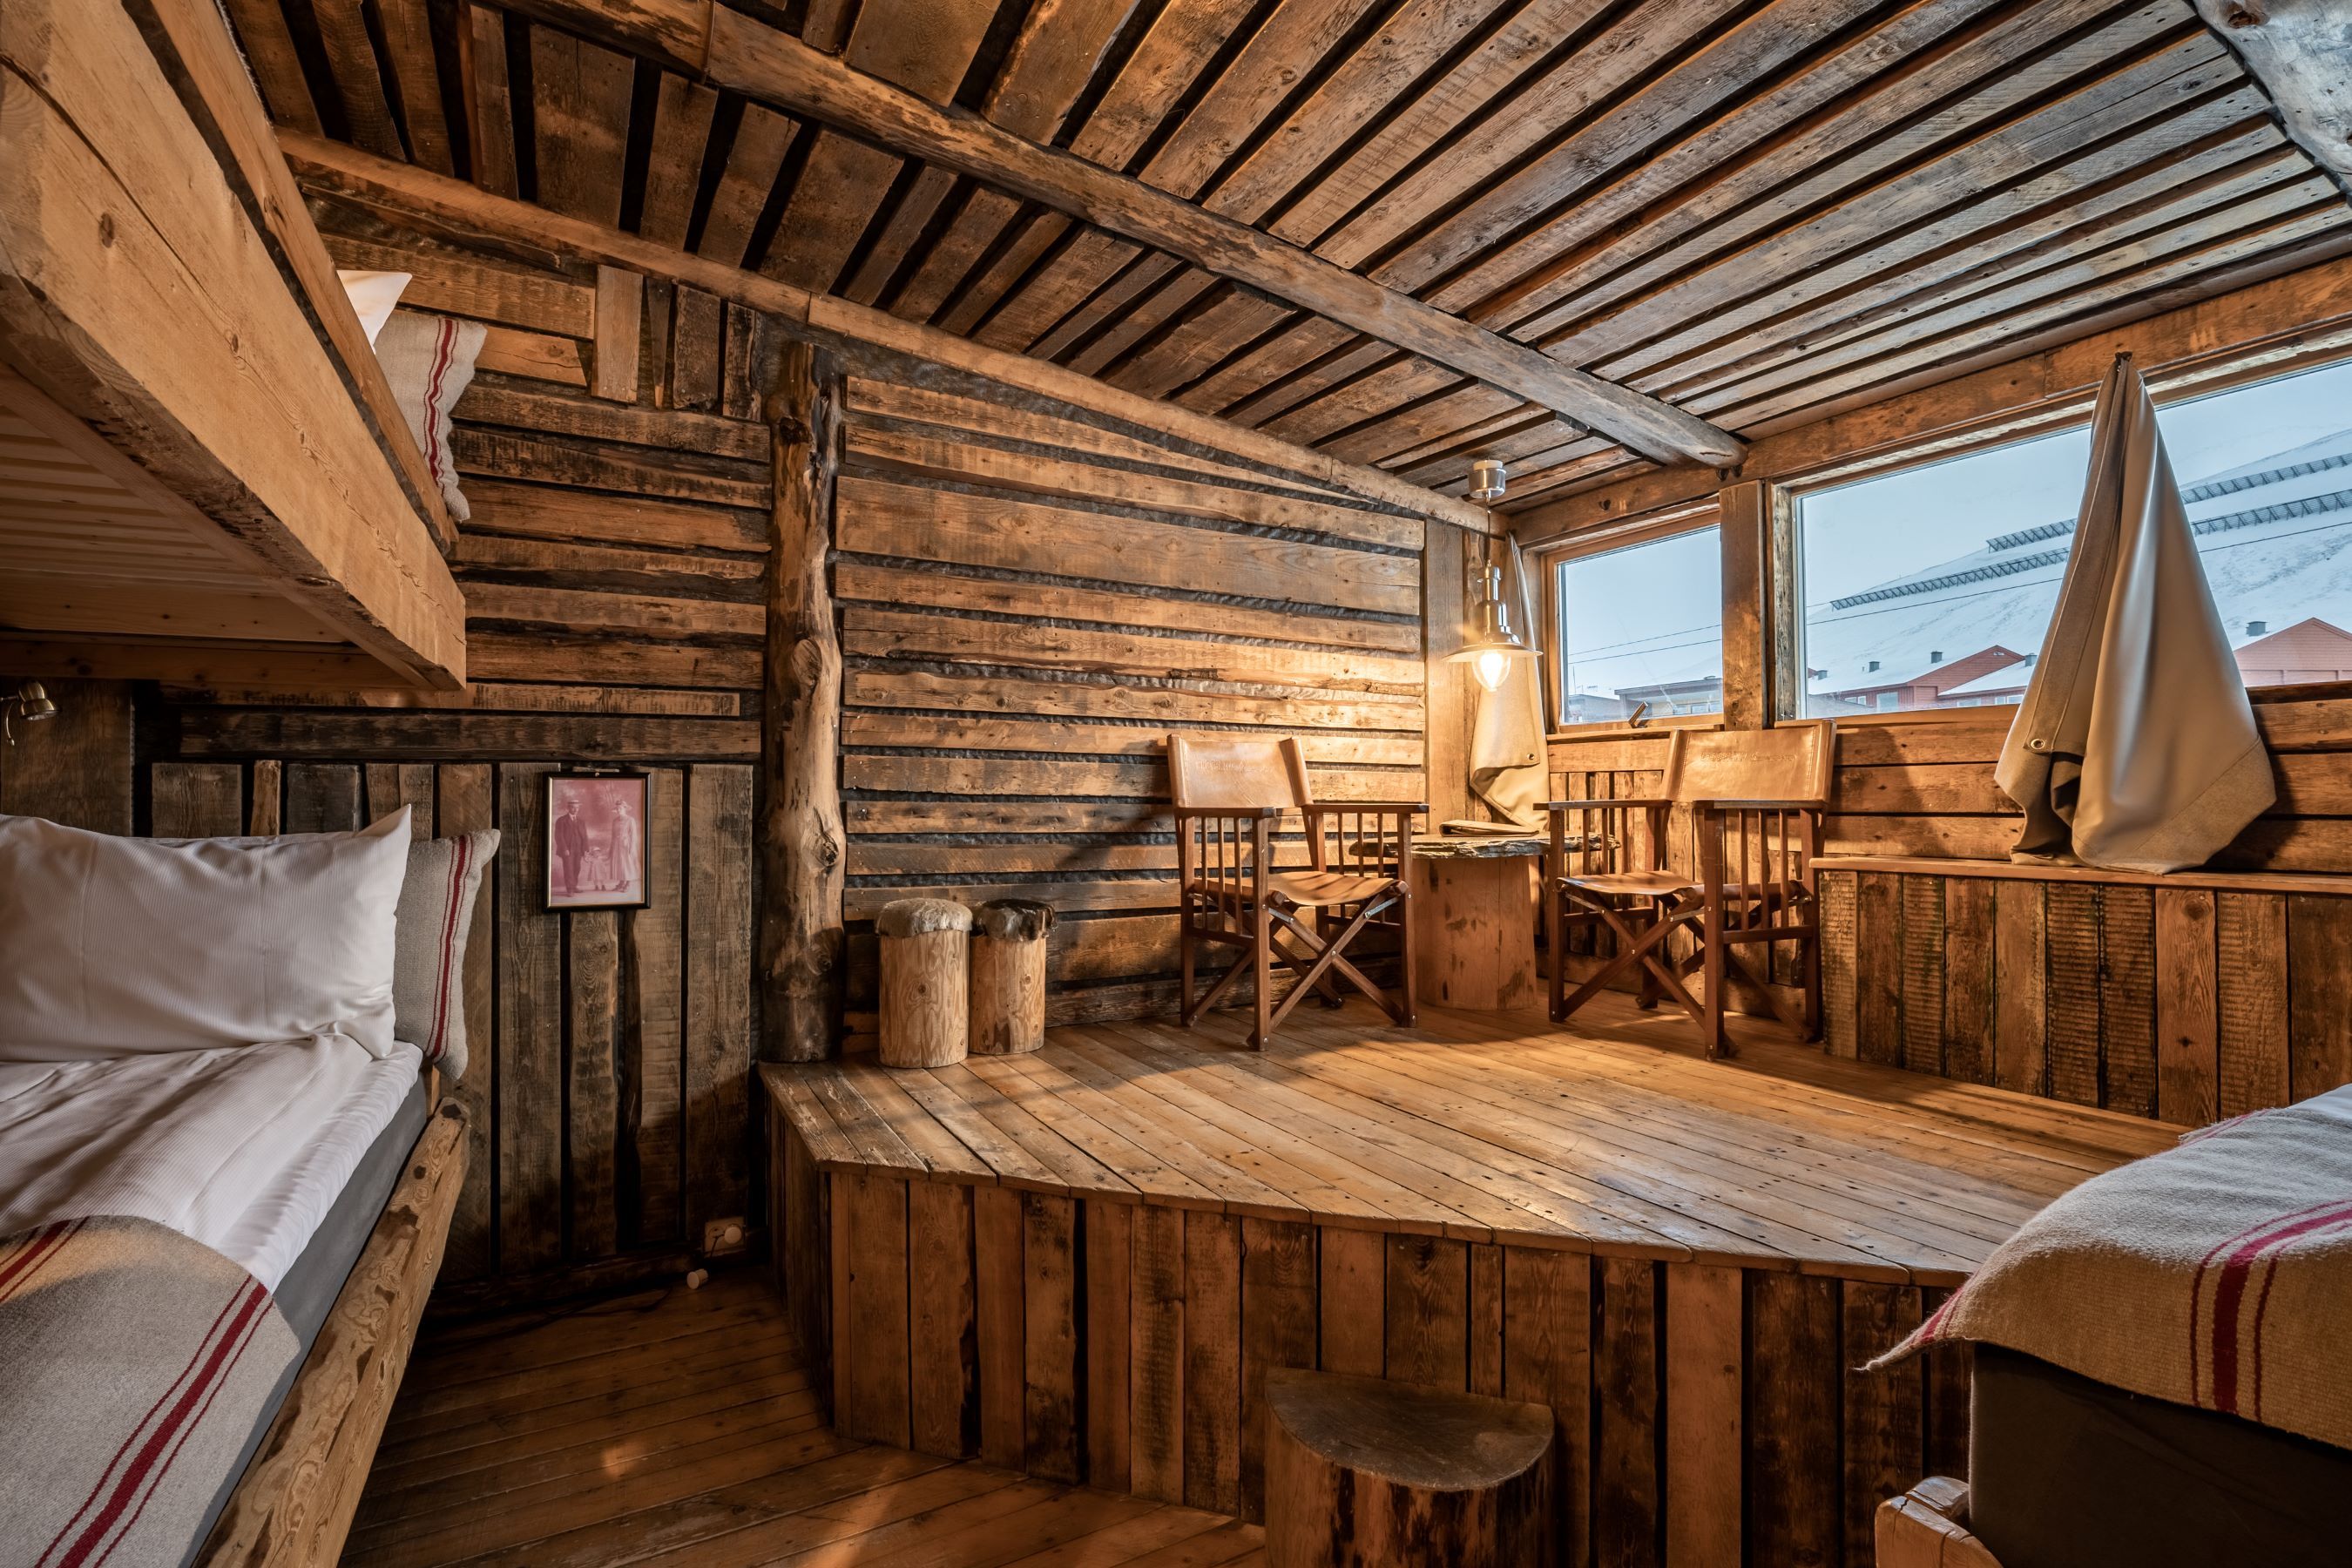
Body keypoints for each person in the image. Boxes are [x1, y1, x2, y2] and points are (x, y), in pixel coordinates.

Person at [553, 795, 586, 898]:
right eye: (573, 807)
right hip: (567, 850)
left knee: (577, 867)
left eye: (577, 808)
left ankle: (574, 885)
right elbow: (559, 836)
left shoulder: (581, 821)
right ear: (568, 808)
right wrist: (564, 849)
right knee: (569, 869)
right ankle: (570, 889)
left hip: (578, 849)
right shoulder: (561, 820)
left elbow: (585, 836)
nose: (576, 810)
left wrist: (585, 850)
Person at [610, 796, 640, 897]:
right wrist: (611, 847)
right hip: (617, 845)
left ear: (625, 809)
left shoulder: (630, 820)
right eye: (617, 809)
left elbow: (633, 835)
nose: (618, 810)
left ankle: (628, 883)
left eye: (621, 809)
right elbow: (613, 835)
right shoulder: (615, 821)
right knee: (619, 864)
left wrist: (632, 848)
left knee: (627, 864)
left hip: (627, 845)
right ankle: (621, 882)